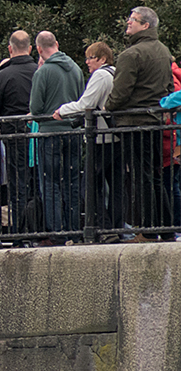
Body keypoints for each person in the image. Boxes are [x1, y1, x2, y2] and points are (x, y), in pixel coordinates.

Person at [103, 6, 174, 237]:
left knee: (139, 177)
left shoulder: (131, 55)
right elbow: (169, 88)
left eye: (133, 20)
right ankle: (166, 227)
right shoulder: (164, 52)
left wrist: (108, 107)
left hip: (133, 121)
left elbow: (121, 92)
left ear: (146, 25)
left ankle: (148, 230)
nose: (128, 23)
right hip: (155, 120)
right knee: (154, 175)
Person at [55, 42, 118, 230]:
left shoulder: (100, 75)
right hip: (115, 137)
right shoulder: (115, 73)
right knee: (115, 187)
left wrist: (62, 110)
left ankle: (101, 228)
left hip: (100, 139)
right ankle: (116, 227)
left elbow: (86, 104)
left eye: (91, 57)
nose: (87, 62)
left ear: (102, 59)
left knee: (90, 186)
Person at [30, 31, 86, 234]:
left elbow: (36, 109)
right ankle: (73, 227)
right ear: (57, 44)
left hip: (49, 133)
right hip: (73, 132)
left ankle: (55, 230)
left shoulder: (42, 73)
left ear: (38, 49)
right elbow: (82, 101)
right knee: (72, 181)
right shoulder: (76, 69)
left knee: (50, 181)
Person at [0, 30, 38, 237]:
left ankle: (19, 232)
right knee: (39, 183)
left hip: (12, 135)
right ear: (29, 49)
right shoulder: (39, 71)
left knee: (17, 184)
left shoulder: (2, 76)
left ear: (10, 49)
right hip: (39, 134)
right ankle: (41, 229)